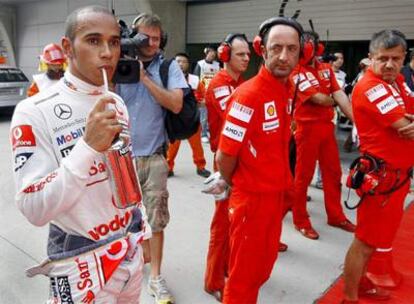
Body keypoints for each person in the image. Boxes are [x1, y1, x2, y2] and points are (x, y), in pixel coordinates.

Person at [10, 6, 149, 303]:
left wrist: (142, 227)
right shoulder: (34, 111)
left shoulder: (115, 102)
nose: (108, 53)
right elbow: (34, 208)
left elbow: (127, 173)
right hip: (80, 265)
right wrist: (87, 147)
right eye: (94, 40)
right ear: (67, 48)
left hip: (129, 252)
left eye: (114, 42)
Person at [216, 17, 300, 303]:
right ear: (262, 50)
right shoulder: (248, 95)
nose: (284, 56)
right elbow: (224, 155)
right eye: (276, 48)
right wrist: (241, 185)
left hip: (274, 197)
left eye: (292, 49)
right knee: (242, 281)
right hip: (251, 201)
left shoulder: (285, 89)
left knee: (261, 271)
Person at [116, 13, 187, 304]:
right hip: (120, 159)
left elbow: (175, 103)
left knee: (156, 221)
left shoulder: (168, 67)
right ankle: (124, 269)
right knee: (121, 221)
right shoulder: (118, 64)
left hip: (155, 158)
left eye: (157, 38)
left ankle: (155, 277)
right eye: (146, 37)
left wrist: (144, 77)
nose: (152, 43)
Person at [342, 29, 414, 304]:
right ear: (370, 58)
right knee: (365, 242)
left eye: (395, 59)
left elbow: (410, 110)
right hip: (381, 180)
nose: (389, 64)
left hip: (396, 178)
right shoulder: (371, 86)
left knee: (373, 241)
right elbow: (404, 125)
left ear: (403, 58)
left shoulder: (397, 83)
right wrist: (409, 122)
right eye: (382, 58)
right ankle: (349, 298)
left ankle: (360, 283)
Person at [290, 31, 355, 240]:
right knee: (303, 177)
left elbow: (340, 95)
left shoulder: (326, 69)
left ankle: (335, 216)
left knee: (334, 174)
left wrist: (357, 122)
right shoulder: (296, 71)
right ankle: (300, 220)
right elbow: (319, 99)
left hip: (326, 128)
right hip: (306, 129)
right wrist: (334, 99)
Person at [203, 32, 250, 301]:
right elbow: (235, 117)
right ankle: (213, 280)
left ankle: (228, 268)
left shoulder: (239, 82)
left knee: (234, 222)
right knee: (222, 223)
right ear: (224, 55)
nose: (246, 59)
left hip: (240, 161)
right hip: (224, 163)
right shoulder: (220, 85)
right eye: (240, 54)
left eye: (247, 54)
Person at [166, 52, 211, 178]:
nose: (180, 64)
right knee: (172, 146)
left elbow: (204, 96)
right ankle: (168, 167)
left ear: (188, 64)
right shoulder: (168, 79)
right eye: (178, 61)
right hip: (175, 118)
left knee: (197, 146)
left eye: (183, 61)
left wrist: (202, 103)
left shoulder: (195, 80)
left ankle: (200, 167)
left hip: (192, 119)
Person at [194, 46, 220, 143]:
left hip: (214, 93)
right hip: (203, 93)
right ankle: (203, 133)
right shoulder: (200, 64)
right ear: (206, 53)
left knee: (212, 114)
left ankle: (208, 131)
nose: (213, 55)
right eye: (211, 53)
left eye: (214, 53)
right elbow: (195, 79)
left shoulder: (217, 65)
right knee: (203, 114)